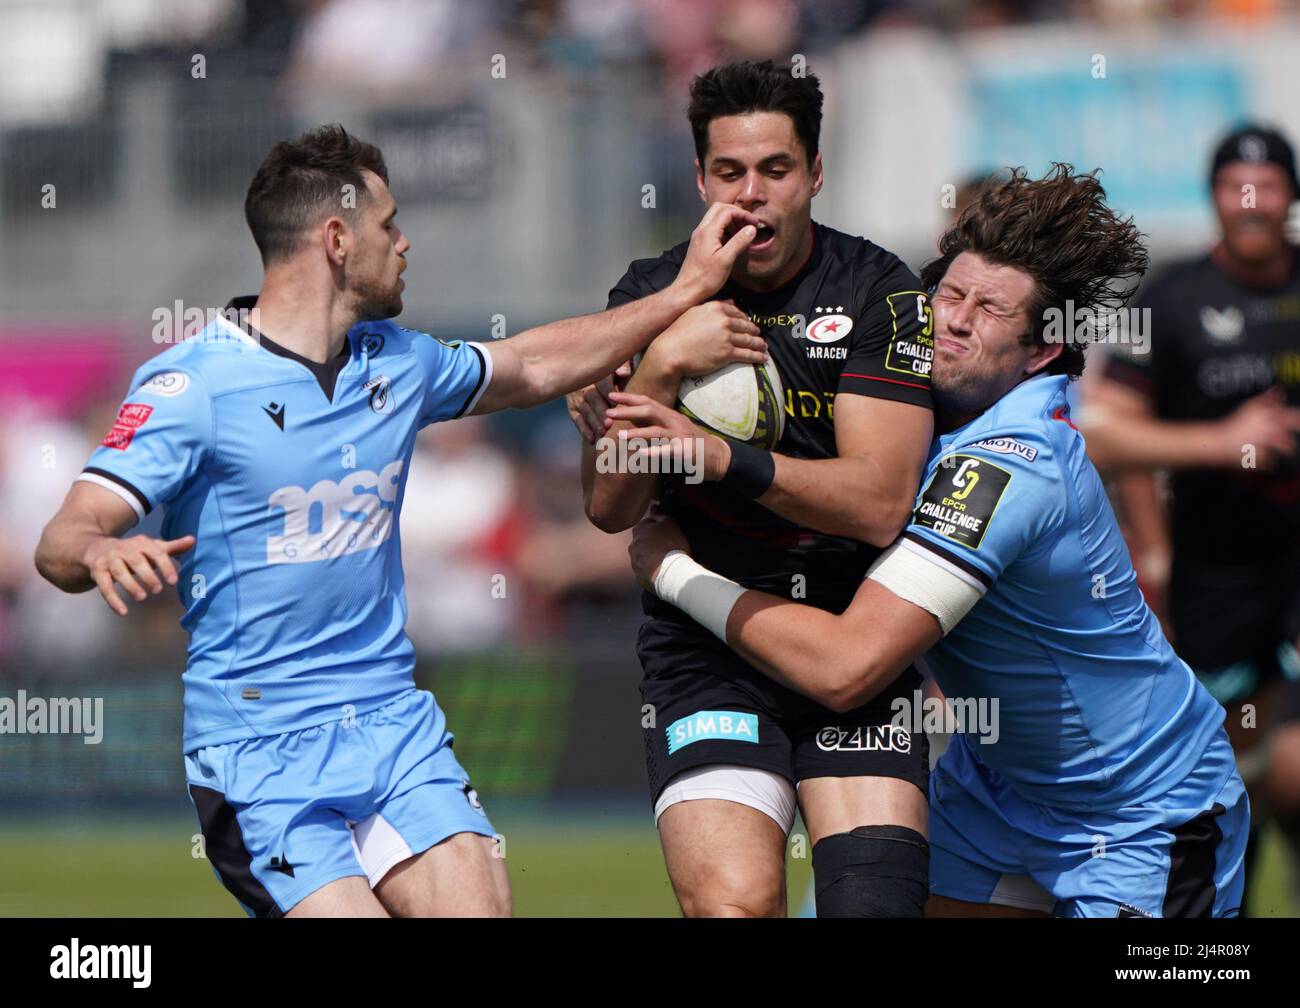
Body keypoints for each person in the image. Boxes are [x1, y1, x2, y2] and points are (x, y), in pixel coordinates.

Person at [33, 124, 764, 918]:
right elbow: (61, 540)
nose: (404, 242)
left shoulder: (397, 360)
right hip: (257, 752)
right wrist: (101, 550)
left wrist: (680, 294)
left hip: (393, 725)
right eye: (388, 224)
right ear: (338, 238)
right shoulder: (191, 387)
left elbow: (535, 365)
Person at [624, 165, 1248, 917]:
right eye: (949, 294)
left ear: (1042, 351)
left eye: (988, 311)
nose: (953, 319)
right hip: (997, 796)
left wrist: (675, 573)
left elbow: (848, 669)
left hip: (1141, 813)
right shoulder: (914, 407)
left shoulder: (1008, 466)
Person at [569, 59, 936, 917]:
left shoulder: (881, 291)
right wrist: (659, 367)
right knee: (735, 906)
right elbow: (608, 508)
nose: (752, 194)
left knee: (874, 907)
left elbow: (880, 503)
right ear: (699, 179)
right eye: (730, 172)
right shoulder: (649, 295)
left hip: (853, 638)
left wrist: (712, 454)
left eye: (776, 170)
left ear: (815, 173)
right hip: (707, 653)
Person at [1083, 124, 1300, 912]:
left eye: (1268, 186)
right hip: (1216, 576)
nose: (1253, 203)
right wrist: (1218, 444)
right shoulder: (1172, 299)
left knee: (1295, 761)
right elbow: (1102, 432)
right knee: (1225, 772)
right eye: (1236, 188)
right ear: (1214, 199)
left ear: (1290, 196)